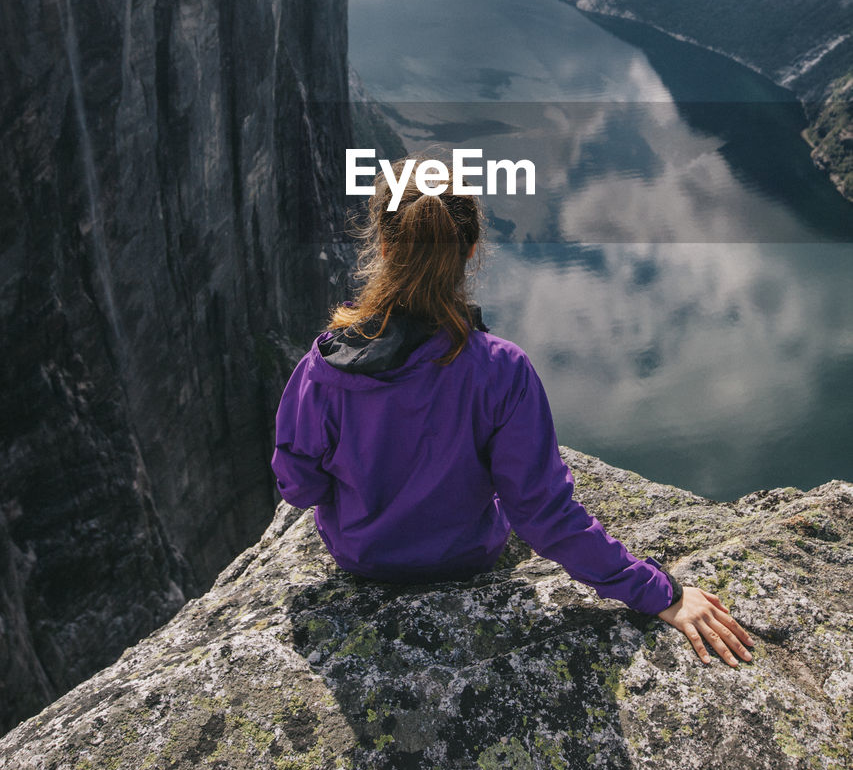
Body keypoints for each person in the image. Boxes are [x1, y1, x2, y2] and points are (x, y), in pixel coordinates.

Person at [271, 161, 754, 668]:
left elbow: (298, 487)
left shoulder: (324, 367)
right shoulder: (502, 370)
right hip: (466, 557)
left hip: (360, 557)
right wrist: (662, 593)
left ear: (385, 247)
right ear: (472, 251)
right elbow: (543, 515)